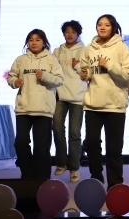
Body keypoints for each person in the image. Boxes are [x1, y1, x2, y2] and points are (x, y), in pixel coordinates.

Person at [80, 14, 129, 189]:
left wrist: (109, 65)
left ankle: (115, 185)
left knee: (114, 148)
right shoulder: (89, 48)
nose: (102, 27)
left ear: (113, 27)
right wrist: (85, 74)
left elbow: (127, 75)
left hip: (115, 105)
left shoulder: (121, 47)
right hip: (93, 104)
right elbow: (87, 71)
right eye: (99, 24)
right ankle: (96, 177)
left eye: (106, 25)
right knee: (91, 143)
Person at [7, 29, 64, 180]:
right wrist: (14, 82)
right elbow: (11, 77)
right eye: (31, 40)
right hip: (24, 109)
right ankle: (27, 175)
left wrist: (44, 76)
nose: (34, 43)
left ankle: (42, 179)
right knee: (20, 143)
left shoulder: (51, 60)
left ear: (44, 42)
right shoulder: (20, 59)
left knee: (41, 147)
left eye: (37, 40)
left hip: (43, 109)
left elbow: (59, 80)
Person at [52, 20, 87, 182]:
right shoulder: (57, 51)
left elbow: (87, 73)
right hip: (60, 95)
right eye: (67, 31)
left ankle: (74, 167)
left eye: (73, 31)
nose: (70, 34)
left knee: (74, 133)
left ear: (78, 33)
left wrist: (78, 67)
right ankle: (61, 162)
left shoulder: (84, 50)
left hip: (78, 97)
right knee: (57, 128)